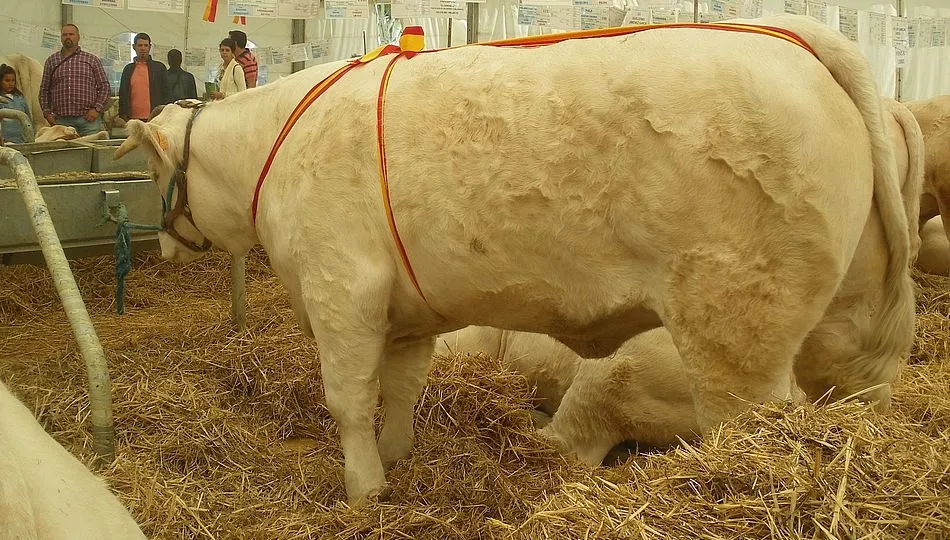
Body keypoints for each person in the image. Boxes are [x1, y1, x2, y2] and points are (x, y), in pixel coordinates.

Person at [38, 24, 111, 136]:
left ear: (78, 37)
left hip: (88, 120)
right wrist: (47, 113)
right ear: (61, 38)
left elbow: (104, 87)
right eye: (65, 34)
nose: (68, 37)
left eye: (71, 34)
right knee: (64, 153)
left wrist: (96, 109)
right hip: (61, 121)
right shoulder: (52, 61)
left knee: (92, 152)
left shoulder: (92, 60)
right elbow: (44, 90)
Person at [118, 32, 168, 122]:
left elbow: (167, 93)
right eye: (140, 45)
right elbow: (123, 93)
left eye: (146, 45)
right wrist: (123, 114)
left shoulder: (159, 68)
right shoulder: (128, 69)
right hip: (132, 119)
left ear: (149, 47)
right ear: (134, 47)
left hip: (155, 118)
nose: (143, 48)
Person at [0, 64, 31, 144]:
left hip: (22, 141)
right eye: (7, 80)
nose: (11, 83)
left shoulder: (20, 98)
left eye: (13, 80)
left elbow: (28, 118)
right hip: (5, 143)